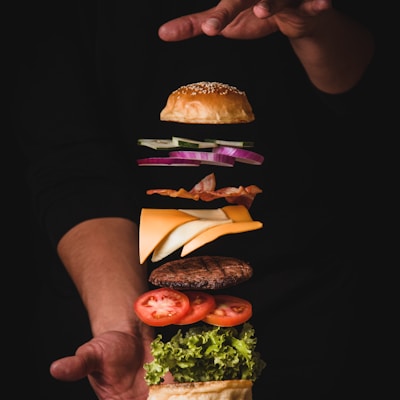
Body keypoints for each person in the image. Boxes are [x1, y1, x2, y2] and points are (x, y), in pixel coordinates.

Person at [12, 0, 380, 399]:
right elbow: (73, 170)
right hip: (114, 300)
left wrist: (312, 29)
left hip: (318, 309)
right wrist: (125, 325)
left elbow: (374, 109)